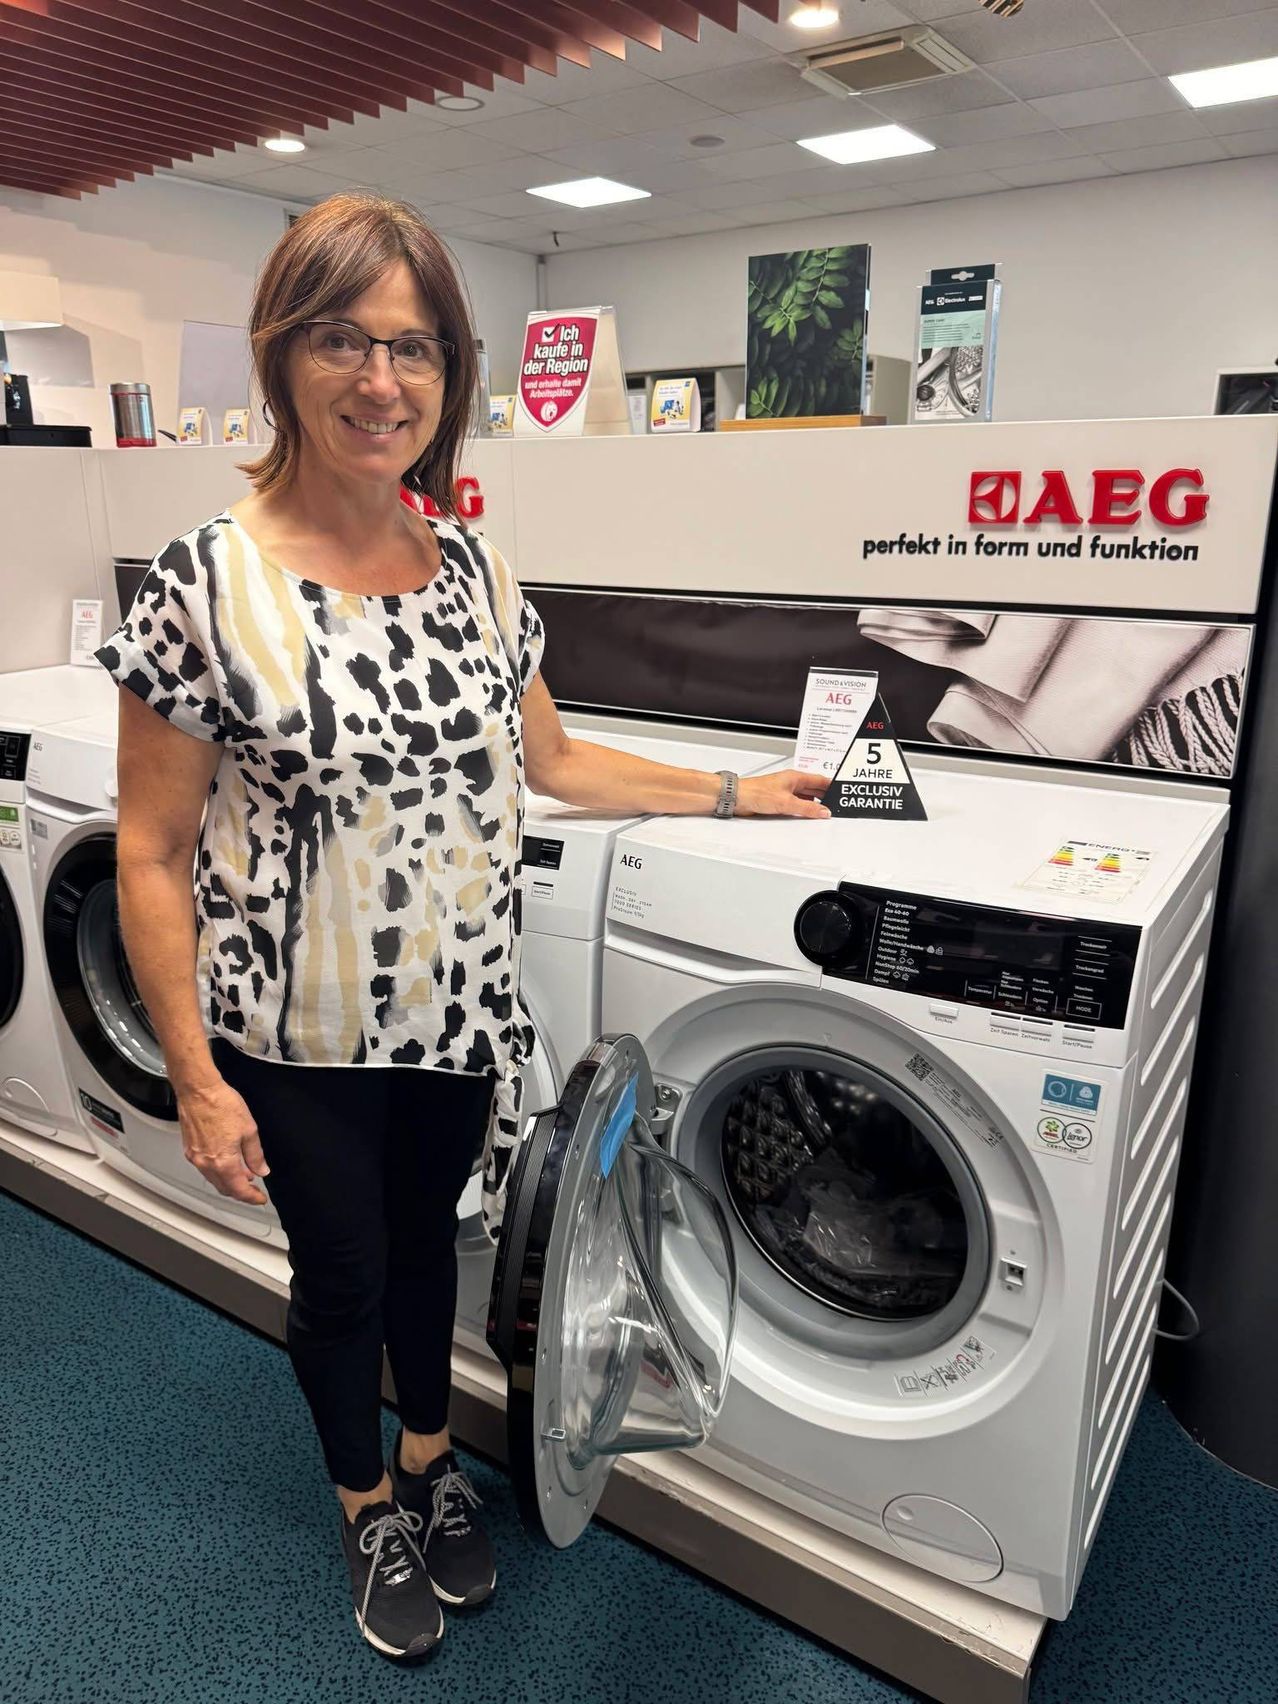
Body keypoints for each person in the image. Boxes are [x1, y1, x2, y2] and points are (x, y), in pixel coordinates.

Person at [97, 191, 829, 1665]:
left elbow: (555, 764)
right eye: (346, 343)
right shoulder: (203, 585)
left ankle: (431, 1461)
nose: (383, 382)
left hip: (457, 1013)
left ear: (452, 379)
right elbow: (152, 850)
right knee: (346, 1276)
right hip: (295, 1036)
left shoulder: (479, 574)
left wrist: (739, 792)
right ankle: (364, 1496)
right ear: (281, 356)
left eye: (417, 350)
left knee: (441, 1249)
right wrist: (191, 1074)